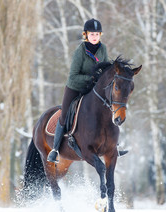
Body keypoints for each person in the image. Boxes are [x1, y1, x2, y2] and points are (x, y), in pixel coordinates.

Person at [47, 18, 127, 163]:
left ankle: (113, 145)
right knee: (64, 115)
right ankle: (55, 149)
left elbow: (105, 69)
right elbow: (73, 76)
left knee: (108, 109)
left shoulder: (103, 49)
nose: (94, 37)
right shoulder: (80, 52)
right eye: (92, 34)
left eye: (97, 34)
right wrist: (90, 79)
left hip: (94, 89)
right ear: (86, 35)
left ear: (100, 35)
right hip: (75, 87)